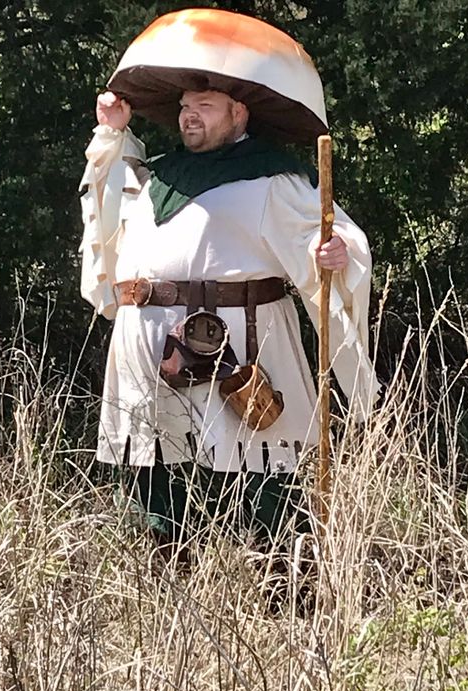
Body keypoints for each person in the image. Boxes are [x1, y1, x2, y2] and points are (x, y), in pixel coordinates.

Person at [79, 86, 378, 558]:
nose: (189, 116)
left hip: (239, 351)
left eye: (204, 106)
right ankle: (167, 604)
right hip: (152, 354)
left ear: (239, 113)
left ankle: (288, 596)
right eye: (183, 107)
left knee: (264, 479)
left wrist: (335, 251)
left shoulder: (271, 177)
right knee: (156, 482)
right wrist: (113, 132)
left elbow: (331, 231)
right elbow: (111, 192)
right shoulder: (160, 175)